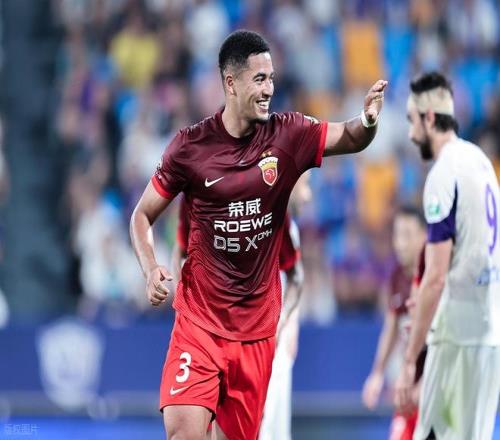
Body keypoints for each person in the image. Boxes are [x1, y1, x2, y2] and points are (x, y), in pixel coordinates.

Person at [130, 29, 387, 440]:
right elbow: (142, 215)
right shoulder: (190, 148)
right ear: (231, 83)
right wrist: (149, 270)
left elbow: (352, 136)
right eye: (260, 79)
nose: (269, 89)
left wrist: (369, 119)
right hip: (199, 324)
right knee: (184, 433)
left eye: (271, 79)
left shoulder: (289, 134)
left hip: (256, 333)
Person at [395, 71, 500, 440]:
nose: (411, 134)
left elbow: (436, 277)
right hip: (489, 333)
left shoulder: (443, 173)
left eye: (412, 120)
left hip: (457, 335)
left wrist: (410, 360)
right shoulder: (481, 161)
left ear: (428, 118)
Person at [362, 206, 426, 440]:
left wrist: (425, 385)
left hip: (438, 385)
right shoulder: (397, 275)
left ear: (424, 236)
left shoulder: (435, 279)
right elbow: (391, 326)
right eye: (397, 235)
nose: (400, 244)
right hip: (409, 387)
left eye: (407, 235)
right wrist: (377, 374)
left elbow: (444, 342)